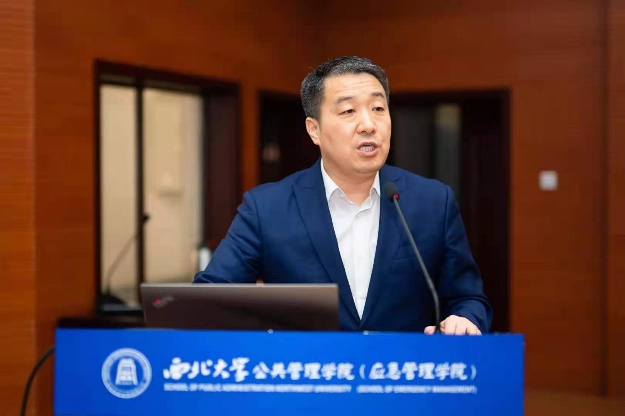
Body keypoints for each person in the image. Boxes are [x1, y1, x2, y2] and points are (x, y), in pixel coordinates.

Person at [194, 56, 492, 335]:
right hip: (310, 371)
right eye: (349, 111)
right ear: (314, 130)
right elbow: (209, 299)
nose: (369, 125)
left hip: (401, 371)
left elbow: (468, 298)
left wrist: (464, 319)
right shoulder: (266, 208)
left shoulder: (433, 201)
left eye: (378, 109)